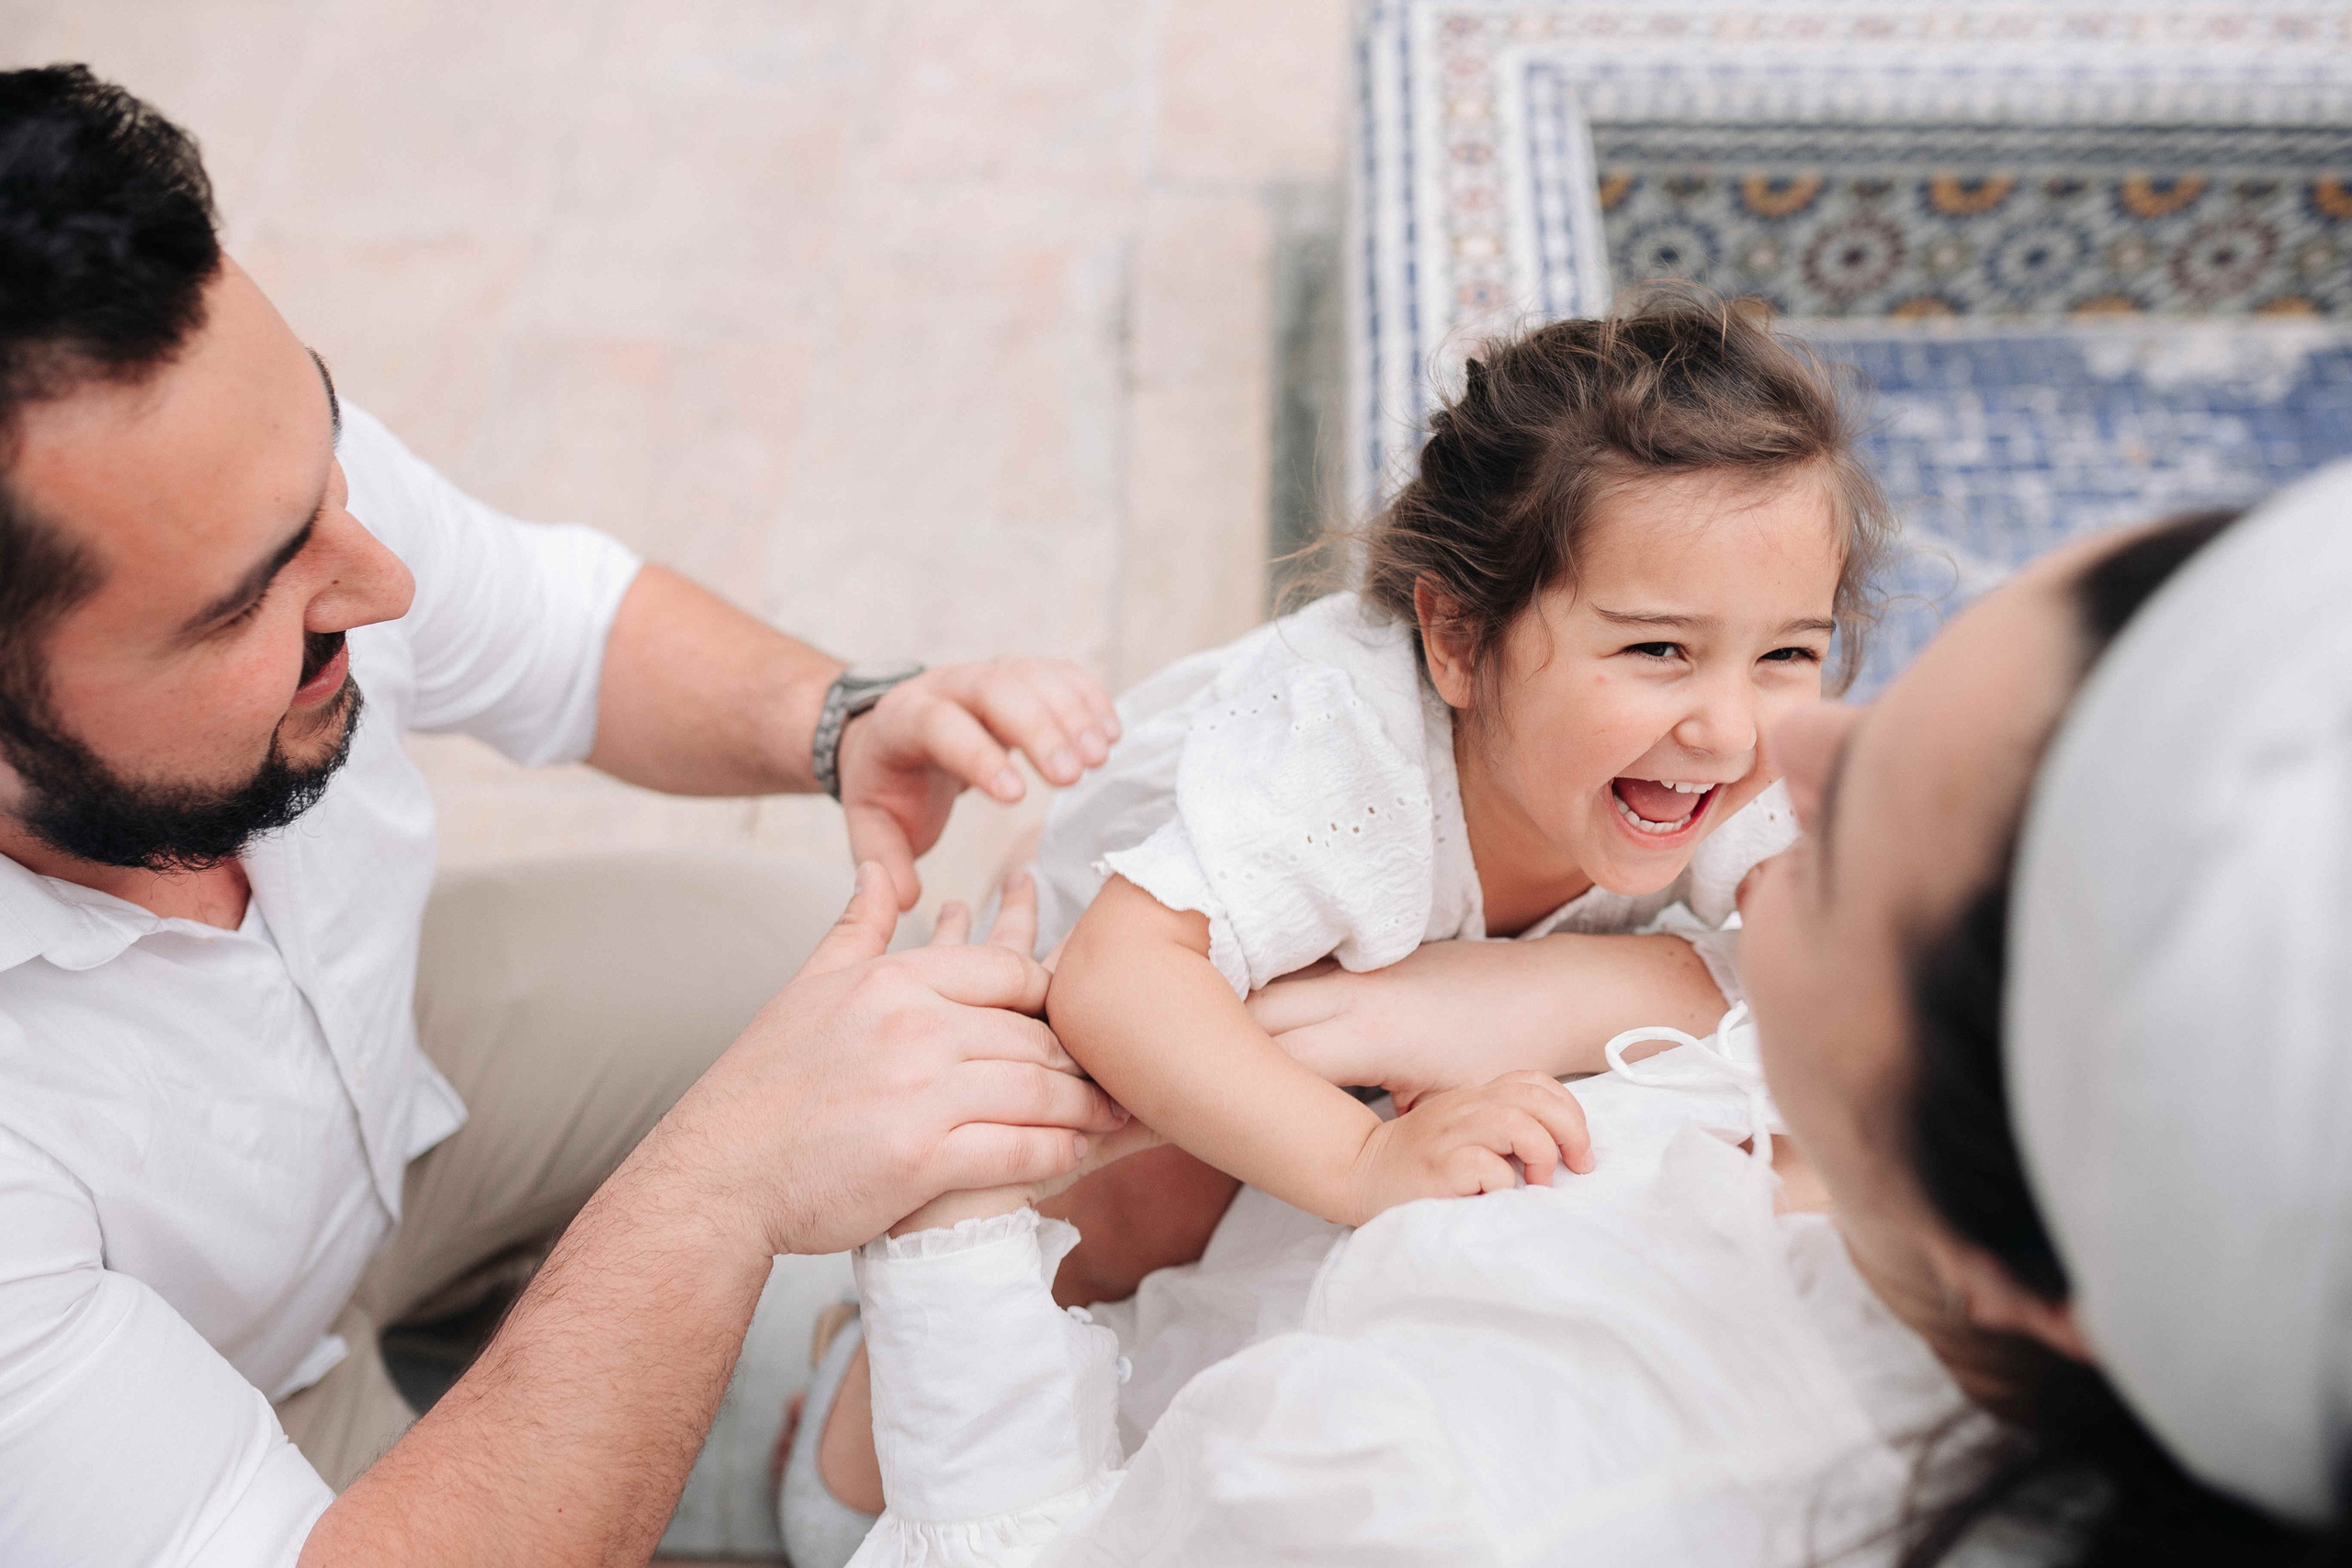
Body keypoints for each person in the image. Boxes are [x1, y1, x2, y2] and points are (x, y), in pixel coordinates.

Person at [798, 466, 2352, 1562]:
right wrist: (1593, 983)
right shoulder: (2047, 1183)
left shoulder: (1435, 1495)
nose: (1787, 749)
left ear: (2030, 1266)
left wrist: (954, 1231)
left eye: (1870, 812)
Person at [0, 65, 1132, 1566]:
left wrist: (841, 718)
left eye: (329, 466)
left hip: (390, 1090)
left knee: (844, 973)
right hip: (215, 1423)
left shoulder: (236, 475)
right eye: (247, 606)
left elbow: (554, 624)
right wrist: (721, 1181)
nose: (382, 581)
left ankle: (610, 1347)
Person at [1033, 293, 1892, 1231]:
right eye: (1658, 649)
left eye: (1787, 653)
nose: (1729, 733)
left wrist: (1583, 983)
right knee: (1151, 1205)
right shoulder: (1347, 765)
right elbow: (1112, 973)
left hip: (1377, 982)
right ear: (1457, 638)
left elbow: (1863, 961)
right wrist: (1362, 1161)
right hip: (1125, 919)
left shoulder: (1742, 758)